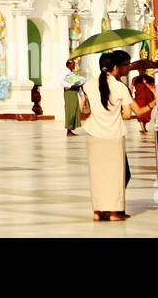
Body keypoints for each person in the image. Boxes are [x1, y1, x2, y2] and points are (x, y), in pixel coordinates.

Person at [83, 50, 153, 221]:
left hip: (93, 135)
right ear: (114, 67)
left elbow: (83, 111)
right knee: (116, 174)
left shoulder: (88, 85)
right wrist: (154, 102)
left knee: (98, 175)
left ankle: (98, 211)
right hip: (113, 135)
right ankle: (114, 212)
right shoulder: (119, 87)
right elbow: (134, 112)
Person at [61, 59, 85, 137]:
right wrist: (71, 85)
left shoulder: (71, 74)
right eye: (73, 64)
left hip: (74, 93)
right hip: (69, 93)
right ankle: (68, 130)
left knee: (74, 110)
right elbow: (62, 83)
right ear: (69, 65)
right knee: (70, 111)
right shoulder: (65, 73)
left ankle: (70, 129)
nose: (74, 65)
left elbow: (77, 82)